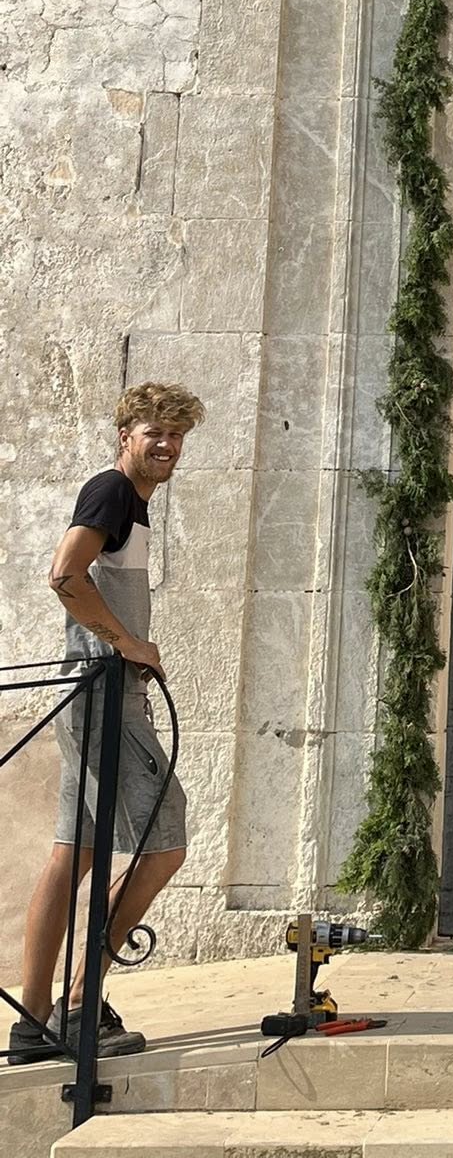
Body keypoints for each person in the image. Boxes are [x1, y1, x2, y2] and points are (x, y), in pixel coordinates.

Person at [7, 383, 203, 1064]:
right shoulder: (112, 492)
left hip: (91, 699)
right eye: (156, 431)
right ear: (126, 432)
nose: (168, 445)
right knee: (164, 840)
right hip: (103, 698)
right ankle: (80, 1003)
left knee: (75, 853)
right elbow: (64, 575)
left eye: (178, 435)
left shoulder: (133, 507)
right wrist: (129, 644)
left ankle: (34, 1025)